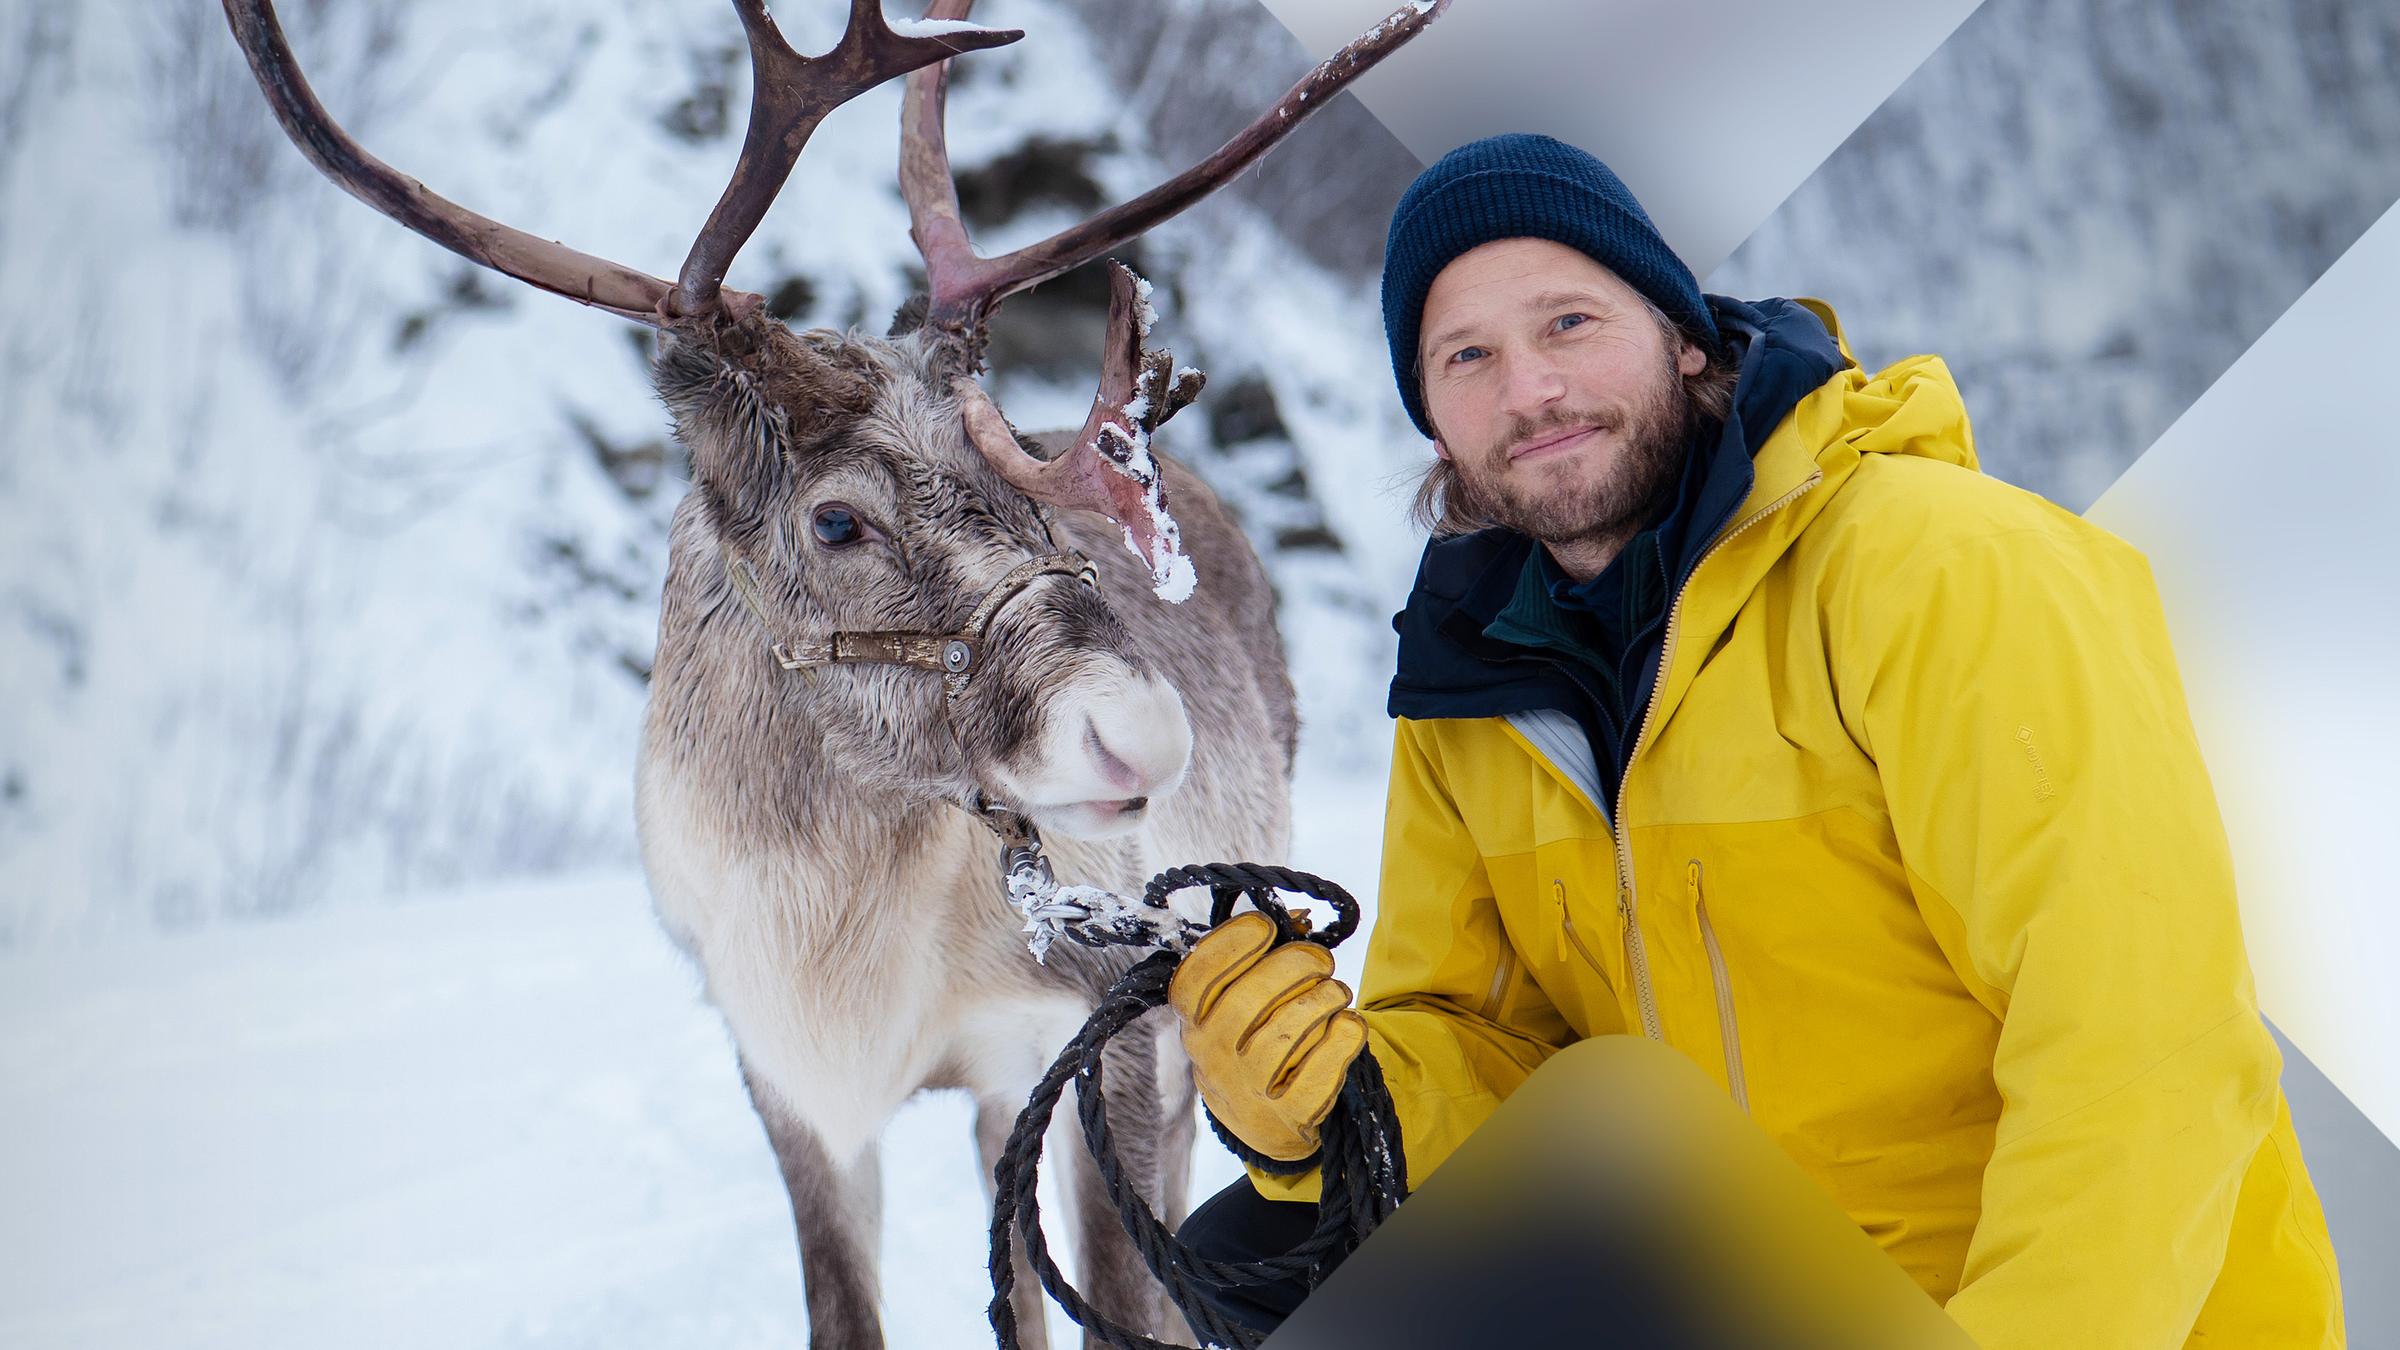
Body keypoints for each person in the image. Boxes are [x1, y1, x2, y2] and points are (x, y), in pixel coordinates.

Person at [1167, 133, 2345, 1348]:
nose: (1530, 392)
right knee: (1269, 1258)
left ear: (1686, 336)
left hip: (2052, 1305)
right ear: (1434, 425)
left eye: (1569, 323)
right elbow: (1500, 1056)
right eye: (1468, 356)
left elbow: (2144, 1043)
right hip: (1764, 1283)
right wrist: (1330, 1101)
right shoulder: (1478, 672)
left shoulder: (1944, 572)